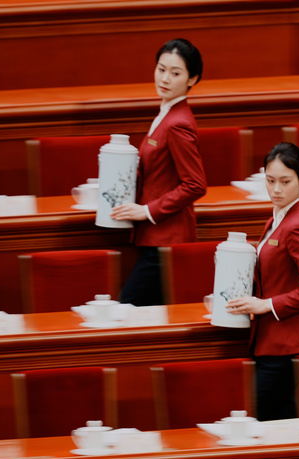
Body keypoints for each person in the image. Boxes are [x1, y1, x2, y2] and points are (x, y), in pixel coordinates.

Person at [225, 142, 299, 420]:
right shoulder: (278, 219)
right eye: (270, 181)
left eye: (285, 182)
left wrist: (266, 305)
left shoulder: (297, 226)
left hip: (286, 346)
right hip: (271, 342)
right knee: (279, 425)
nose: (276, 190)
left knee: (265, 423)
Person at [114, 37, 207, 306]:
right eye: (161, 69)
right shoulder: (167, 114)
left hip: (165, 241)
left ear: (192, 79)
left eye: (175, 73)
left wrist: (147, 211)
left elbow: (195, 184)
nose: (165, 78)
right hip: (156, 238)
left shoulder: (178, 123)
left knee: (128, 309)